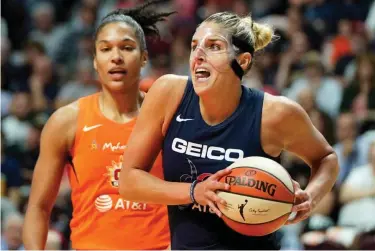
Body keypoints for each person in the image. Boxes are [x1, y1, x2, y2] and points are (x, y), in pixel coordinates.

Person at [119, 11, 339, 250]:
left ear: (242, 61)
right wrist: (195, 191)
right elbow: (129, 181)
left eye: (213, 46)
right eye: (195, 46)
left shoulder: (275, 113)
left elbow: (326, 158)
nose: (199, 55)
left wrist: (311, 197)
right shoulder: (168, 93)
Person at [23, 1, 174, 249]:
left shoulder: (170, 118)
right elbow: (38, 207)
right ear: (95, 60)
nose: (116, 57)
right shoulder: (66, 122)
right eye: (105, 49)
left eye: (127, 48)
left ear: (144, 57)